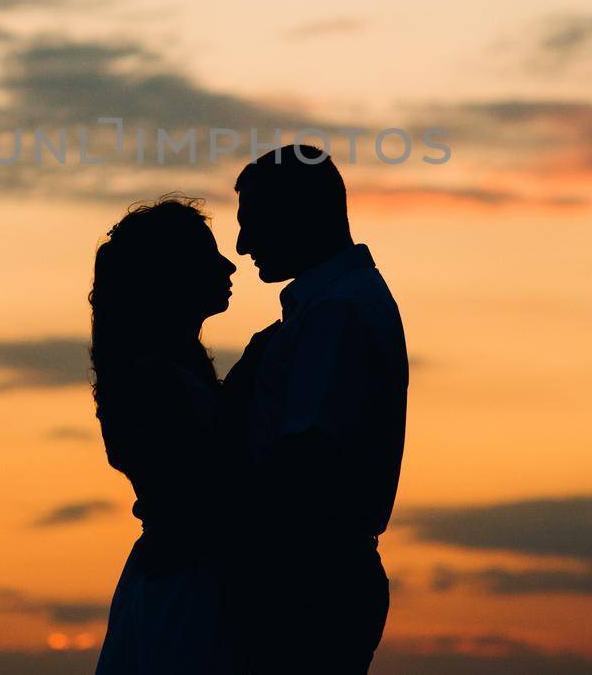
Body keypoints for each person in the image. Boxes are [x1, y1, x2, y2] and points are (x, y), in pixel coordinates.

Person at [220, 145, 408, 674]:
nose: (242, 244)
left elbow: (307, 456)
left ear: (298, 216)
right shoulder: (338, 303)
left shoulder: (336, 312)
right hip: (315, 574)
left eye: (253, 223)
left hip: (306, 580)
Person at [91, 196, 241, 675]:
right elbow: (205, 491)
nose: (228, 265)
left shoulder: (164, 373)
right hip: (185, 584)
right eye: (207, 256)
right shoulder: (155, 383)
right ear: (172, 276)